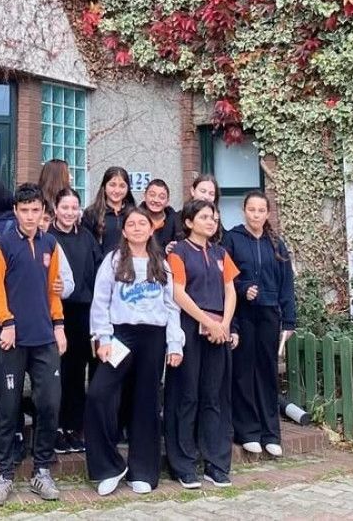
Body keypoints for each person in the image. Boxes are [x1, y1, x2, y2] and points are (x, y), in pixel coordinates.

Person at [84, 207, 184, 496]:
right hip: (120, 336)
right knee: (98, 394)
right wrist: (102, 338)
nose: (138, 227)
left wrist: (175, 343)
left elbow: (171, 307)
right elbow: (100, 302)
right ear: (124, 231)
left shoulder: (161, 264)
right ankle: (108, 467)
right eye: (132, 224)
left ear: (151, 230)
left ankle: (143, 471)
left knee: (146, 403)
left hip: (153, 338)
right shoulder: (113, 261)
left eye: (143, 223)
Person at [0, 182, 67, 506]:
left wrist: (59, 325)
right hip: (12, 339)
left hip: (45, 337)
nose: (30, 216)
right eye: (25, 210)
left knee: (49, 403)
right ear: (15, 211)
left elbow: (53, 290)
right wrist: (6, 322)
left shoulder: (50, 243)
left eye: (35, 210)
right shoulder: (2, 245)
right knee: (7, 409)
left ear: (42, 211)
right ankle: (4, 475)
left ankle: (41, 471)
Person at [165, 199, 239, 487]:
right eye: (205, 217)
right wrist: (207, 321)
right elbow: (178, 292)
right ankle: (183, 464)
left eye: (214, 218)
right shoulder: (179, 252)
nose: (211, 222)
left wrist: (224, 324)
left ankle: (215, 463)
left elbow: (230, 290)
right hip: (189, 328)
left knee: (214, 396)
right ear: (189, 222)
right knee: (186, 396)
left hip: (219, 331)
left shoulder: (221, 253)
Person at [223, 190, 296, 457]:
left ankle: (270, 433)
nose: (256, 215)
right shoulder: (232, 239)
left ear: (268, 214)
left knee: (267, 372)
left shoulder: (276, 244)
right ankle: (248, 431)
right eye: (251, 210)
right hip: (242, 315)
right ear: (244, 211)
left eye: (261, 210)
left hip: (269, 315)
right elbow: (226, 279)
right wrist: (243, 288)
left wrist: (289, 320)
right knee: (243, 372)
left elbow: (286, 284)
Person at [50, 187, 102, 455]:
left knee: (77, 372)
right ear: (55, 209)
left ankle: (75, 426)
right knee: (57, 372)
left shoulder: (87, 237)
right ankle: (57, 428)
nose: (69, 213)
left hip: (83, 312)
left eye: (74, 208)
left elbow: (99, 271)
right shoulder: (48, 237)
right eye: (65, 207)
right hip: (56, 313)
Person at [82, 166, 135, 255]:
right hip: (100, 263)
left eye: (122, 186)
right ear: (104, 187)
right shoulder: (91, 213)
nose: (117, 190)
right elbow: (86, 245)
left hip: (129, 262)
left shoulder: (133, 213)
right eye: (112, 185)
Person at [140, 178, 183, 248]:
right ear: (144, 196)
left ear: (167, 201)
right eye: (152, 195)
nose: (156, 200)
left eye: (162, 197)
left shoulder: (177, 222)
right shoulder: (134, 218)